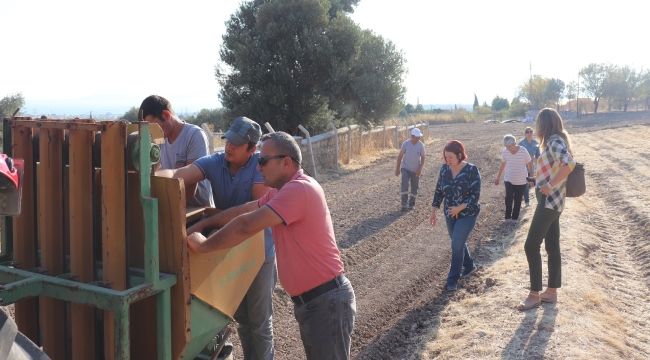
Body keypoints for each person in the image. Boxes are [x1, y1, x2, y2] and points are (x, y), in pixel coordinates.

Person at [186, 132, 356, 360]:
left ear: (286, 162)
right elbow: (245, 210)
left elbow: (246, 225)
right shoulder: (281, 191)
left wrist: (204, 246)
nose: (258, 168)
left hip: (325, 302)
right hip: (315, 302)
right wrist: (206, 222)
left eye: (263, 161)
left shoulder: (299, 190)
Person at [168, 117, 276, 359]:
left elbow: (254, 209)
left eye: (237, 144)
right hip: (228, 250)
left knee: (259, 321)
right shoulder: (216, 162)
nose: (229, 147)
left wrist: (207, 222)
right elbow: (179, 175)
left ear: (252, 149)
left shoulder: (261, 167)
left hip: (258, 253)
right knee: (239, 318)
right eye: (228, 141)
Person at [517, 108, 576, 311]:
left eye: (538, 122)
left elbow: (569, 163)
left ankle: (534, 294)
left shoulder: (553, 141)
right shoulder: (555, 140)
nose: (536, 126)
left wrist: (549, 185)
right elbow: (556, 166)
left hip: (549, 201)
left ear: (543, 124)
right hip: (554, 201)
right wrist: (540, 180)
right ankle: (551, 292)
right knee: (552, 246)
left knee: (530, 245)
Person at [139, 95, 214, 207]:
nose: (152, 132)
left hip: (198, 210)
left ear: (166, 115)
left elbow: (189, 190)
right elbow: (155, 170)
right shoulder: (160, 139)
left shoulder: (194, 135)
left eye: (153, 126)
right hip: (172, 204)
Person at [430, 140, 481, 291]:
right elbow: (439, 190)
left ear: (460, 155)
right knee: (457, 242)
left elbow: (475, 195)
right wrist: (434, 211)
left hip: (467, 213)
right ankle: (470, 266)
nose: (448, 160)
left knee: (456, 244)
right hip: (449, 214)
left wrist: (460, 207)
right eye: (446, 157)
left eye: (450, 157)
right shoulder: (445, 169)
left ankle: (452, 279)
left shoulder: (471, 170)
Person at [494, 134, 532, 222]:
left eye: (509, 146)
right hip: (509, 179)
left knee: (518, 199)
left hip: (521, 180)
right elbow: (503, 164)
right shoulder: (505, 152)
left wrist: (531, 177)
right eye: (506, 147)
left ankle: (514, 218)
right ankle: (507, 218)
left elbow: (529, 163)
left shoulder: (523, 151)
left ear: (515, 143)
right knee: (508, 198)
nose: (508, 149)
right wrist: (498, 177)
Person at [395, 127, 426, 211]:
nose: (419, 138)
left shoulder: (421, 145)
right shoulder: (405, 144)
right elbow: (400, 156)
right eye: (417, 137)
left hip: (415, 170)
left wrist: (420, 169)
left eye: (419, 137)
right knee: (404, 185)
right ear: (412, 136)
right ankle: (404, 204)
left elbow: (423, 158)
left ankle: (411, 204)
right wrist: (397, 168)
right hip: (405, 168)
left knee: (414, 187)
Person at [519, 127, 540, 206]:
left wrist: (538, 168)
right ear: (525, 134)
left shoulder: (536, 143)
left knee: (529, 183)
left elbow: (538, 156)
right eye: (527, 132)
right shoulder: (521, 143)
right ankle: (525, 201)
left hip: (532, 167)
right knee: (524, 183)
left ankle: (525, 200)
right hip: (522, 166)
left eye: (531, 131)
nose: (529, 133)